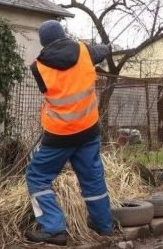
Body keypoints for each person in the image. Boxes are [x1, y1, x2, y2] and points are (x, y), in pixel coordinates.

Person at [25, 20, 113, 246]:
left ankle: (54, 229)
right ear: (63, 34)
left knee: (37, 177)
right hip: (88, 131)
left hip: (59, 136)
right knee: (92, 179)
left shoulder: (38, 67)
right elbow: (101, 52)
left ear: (43, 42)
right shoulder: (85, 51)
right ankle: (103, 225)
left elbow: (51, 92)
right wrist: (107, 47)